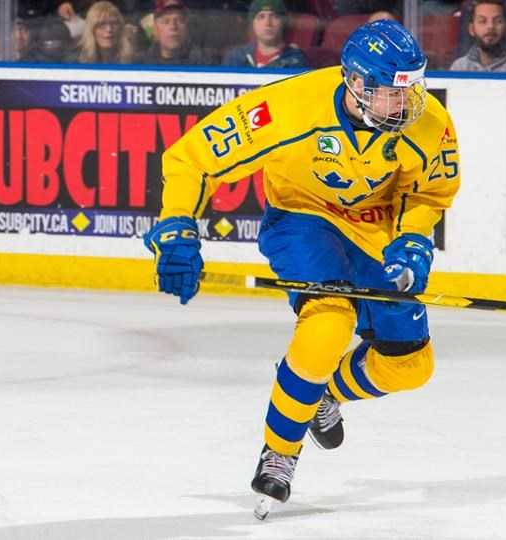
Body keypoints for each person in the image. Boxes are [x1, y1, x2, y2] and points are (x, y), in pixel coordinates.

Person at [143, 19, 460, 511]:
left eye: (412, 89)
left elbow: (429, 191)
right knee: (328, 326)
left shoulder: (427, 120)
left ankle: (322, 394)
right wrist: (178, 225)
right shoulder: (286, 109)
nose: (407, 103)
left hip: (374, 228)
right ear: (355, 82)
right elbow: (192, 159)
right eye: (392, 92)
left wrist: (414, 239)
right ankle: (279, 453)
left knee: (410, 366)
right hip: (303, 220)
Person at [450, 0, 506, 72]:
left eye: (498, 21)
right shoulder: (460, 67)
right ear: (471, 29)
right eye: (482, 21)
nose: (490, 26)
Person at [222, 0, 307, 68]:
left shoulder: (295, 61)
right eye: (261, 17)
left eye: (274, 16)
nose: (267, 23)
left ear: (283, 23)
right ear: (252, 24)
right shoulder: (236, 58)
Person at [138, 0, 215, 65]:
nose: (173, 27)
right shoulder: (141, 63)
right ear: (155, 29)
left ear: (187, 28)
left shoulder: (203, 64)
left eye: (179, 21)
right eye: (165, 21)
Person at [67, 1, 136, 63]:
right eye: (101, 24)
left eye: (114, 24)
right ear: (91, 29)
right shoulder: (75, 59)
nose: (109, 29)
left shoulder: (132, 58)